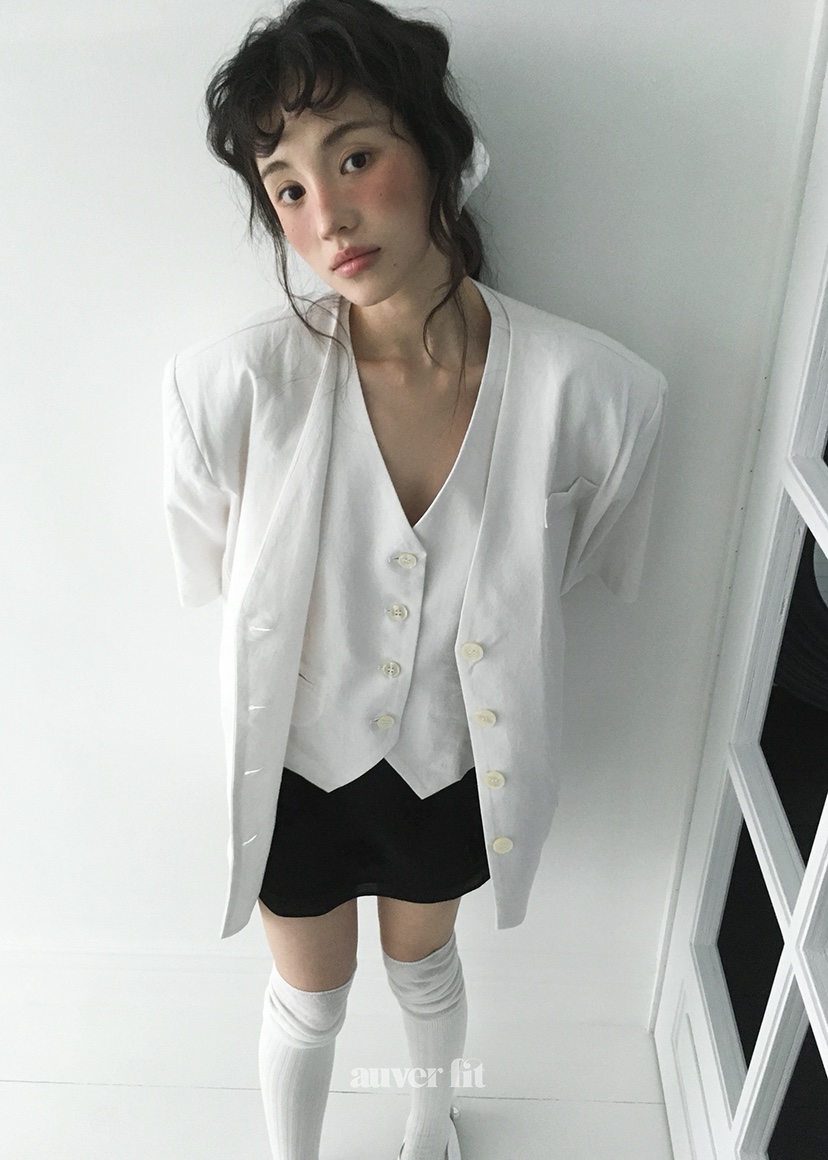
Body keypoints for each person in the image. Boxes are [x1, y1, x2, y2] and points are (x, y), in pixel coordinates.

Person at [161, 1, 668, 1158]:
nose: (328, 216)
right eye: (288, 187)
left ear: (439, 150)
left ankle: (430, 1123)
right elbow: (214, 565)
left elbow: (569, 567)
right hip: (298, 762)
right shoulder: (228, 388)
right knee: (308, 999)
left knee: (426, 967)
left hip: (452, 757)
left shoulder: (598, 392)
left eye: (355, 157)